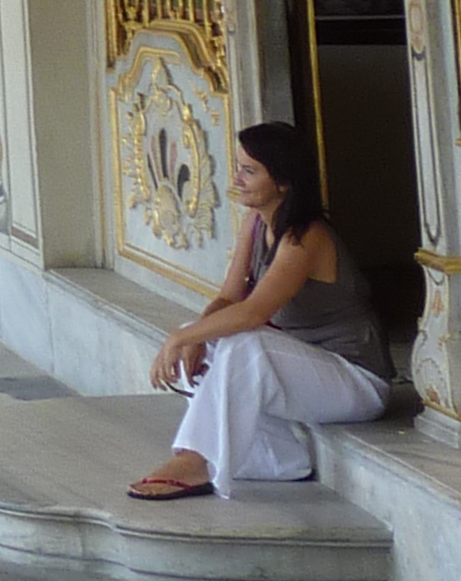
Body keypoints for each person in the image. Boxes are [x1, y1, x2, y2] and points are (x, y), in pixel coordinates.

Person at [130, 120, 394, 502]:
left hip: (357, 381)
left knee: (245, 346)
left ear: (283, 182)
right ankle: (279, 457)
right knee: (208, 339)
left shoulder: (306, 237)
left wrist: (180, 338)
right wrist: (195, 333)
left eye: (250, 171)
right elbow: (228, 298)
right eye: (239, 167)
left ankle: (195, 459)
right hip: (307, 370)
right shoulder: (256, 222)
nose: (237, 178)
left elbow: (253, 313)